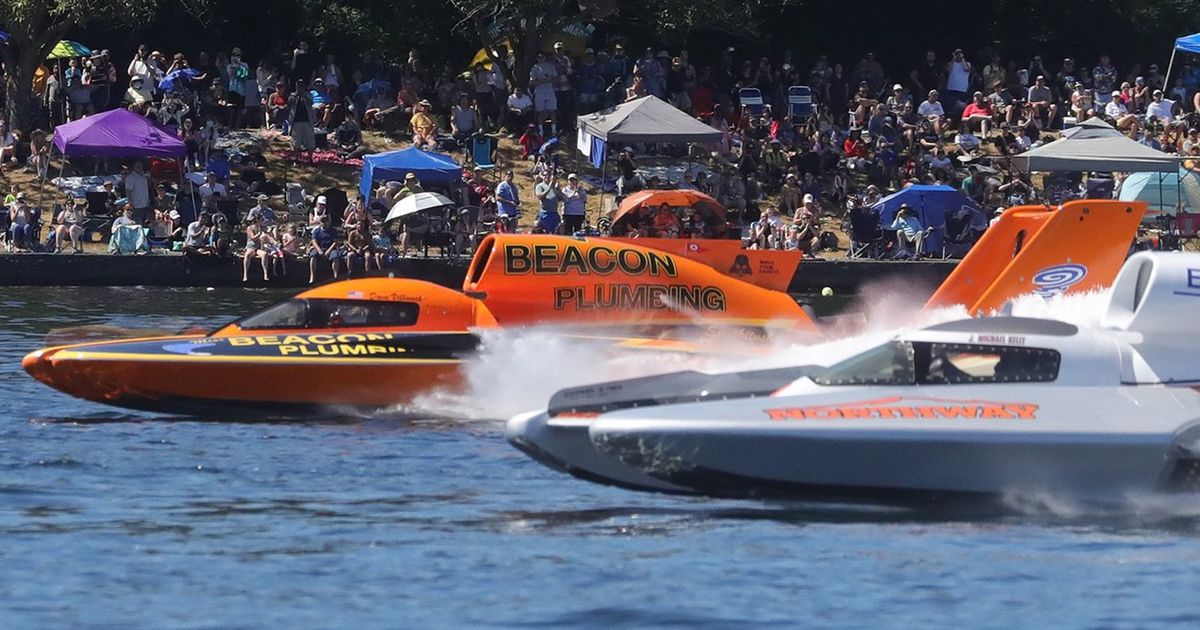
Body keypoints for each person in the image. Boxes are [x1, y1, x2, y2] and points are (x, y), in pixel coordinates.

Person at [288, 78, 316, 162]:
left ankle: (310, 159)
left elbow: (310, 102)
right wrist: (296, 95)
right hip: (296, 121)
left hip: (307, 121)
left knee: (310, 140)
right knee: (296, 141)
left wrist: (303, 94)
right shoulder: (292, 95)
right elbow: (289, 103)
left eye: (301, 86)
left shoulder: (308, 94)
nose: (300, 87)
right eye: (298, 85)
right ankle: (296, 159)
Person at [308, 215, 340, 283]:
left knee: (335, 257)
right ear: (320, 222)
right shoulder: (316, 231)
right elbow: (314, 241)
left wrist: (329, 250)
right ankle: (312, 276)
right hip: (319, 248)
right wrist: (319, 250)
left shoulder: (332, 231)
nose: (324, 223)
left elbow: (335, 242)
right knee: (312, 256)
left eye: (326, 221)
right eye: (323, 221)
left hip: (330, 248)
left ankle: (336, 276)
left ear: (328, 222)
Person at [243, 215, 272, 282]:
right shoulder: (249, 228)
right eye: (261, 220)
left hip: (258, 247)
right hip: (251, 246)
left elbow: (268, 231)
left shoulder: (261, 227)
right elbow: (253, 238)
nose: (262, 221)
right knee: (247, 255)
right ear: (257, 220)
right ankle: (245, 275)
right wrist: (259, 233)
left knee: (264, 254)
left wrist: (269, 231)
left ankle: (265, 274)